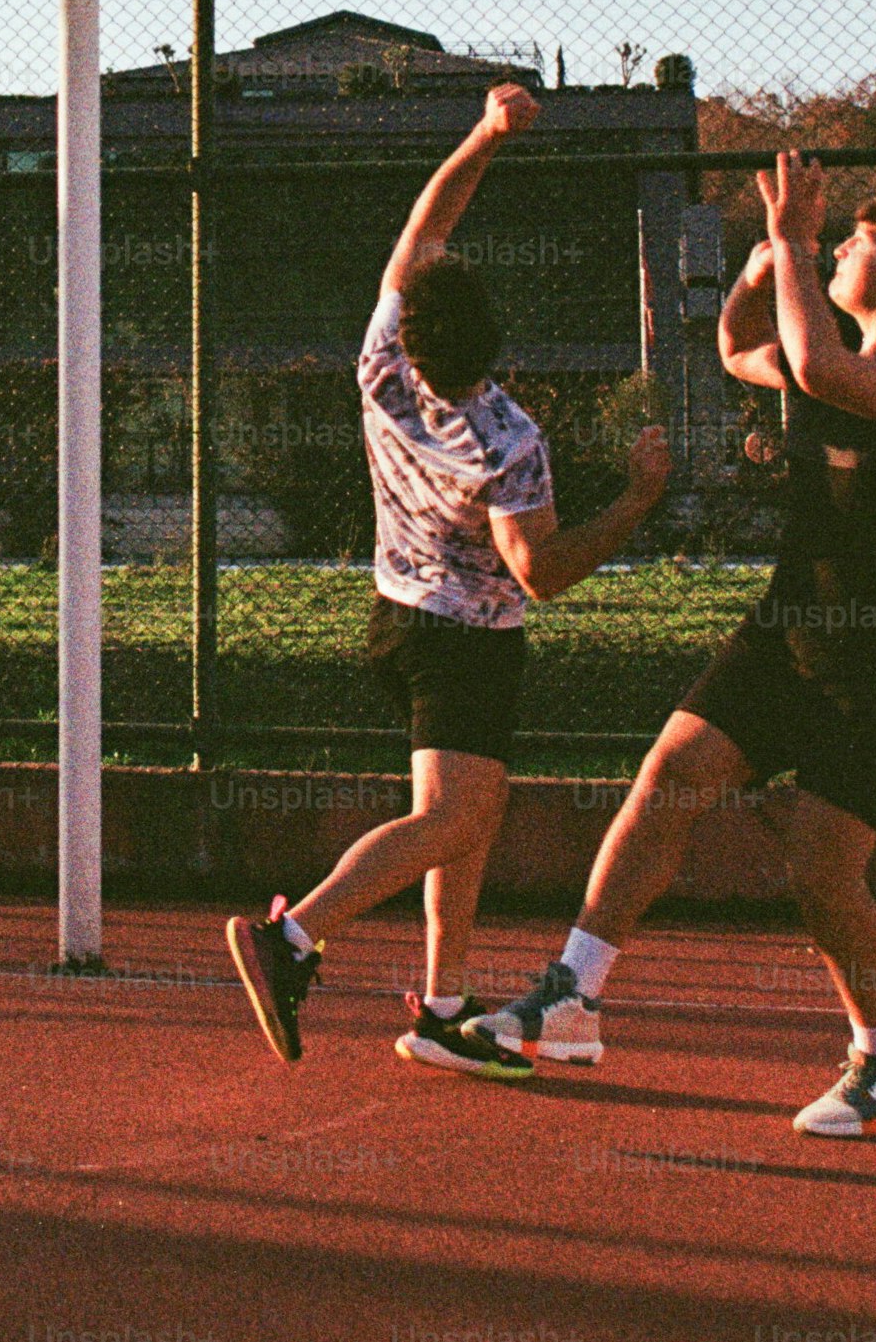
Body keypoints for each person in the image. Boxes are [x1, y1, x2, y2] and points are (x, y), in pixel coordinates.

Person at [478, 152, 876, 1138]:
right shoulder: (828, 343)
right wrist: (762, 275)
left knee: (820, 865)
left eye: (857, 245)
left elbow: (813, 366)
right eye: (834, 243)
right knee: (670, 768)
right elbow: (741, 348)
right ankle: (571, 994)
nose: (838, 252)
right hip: (793, 623)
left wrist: (795, 238)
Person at [224, 81, 673, 1080]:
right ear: (492, 340)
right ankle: (290, 937)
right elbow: (539, 570)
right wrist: (638, 500)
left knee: (462, 815)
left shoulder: (381, 361)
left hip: (397, 616)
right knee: (454, 818)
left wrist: (483, 134)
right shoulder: (510, 441)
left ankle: (440, 1002)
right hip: (467, 638)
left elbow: (427, 223)